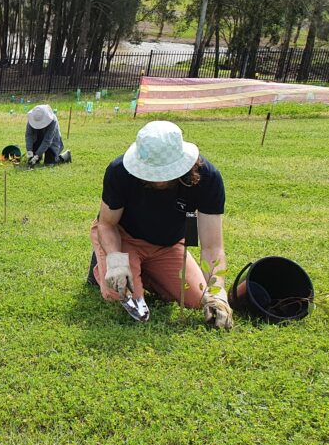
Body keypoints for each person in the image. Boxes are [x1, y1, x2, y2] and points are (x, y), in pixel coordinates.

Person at [88, 120, 233, 328]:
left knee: (195, 299)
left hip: (169, 244)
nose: (159, 181)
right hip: (125, 238)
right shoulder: (119, 171)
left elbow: (213, 246)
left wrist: (217, 292)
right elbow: (107, 225)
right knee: (117, 293)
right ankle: (105, 267)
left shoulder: (208, 178)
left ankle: (143, 271)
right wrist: (115, 260)